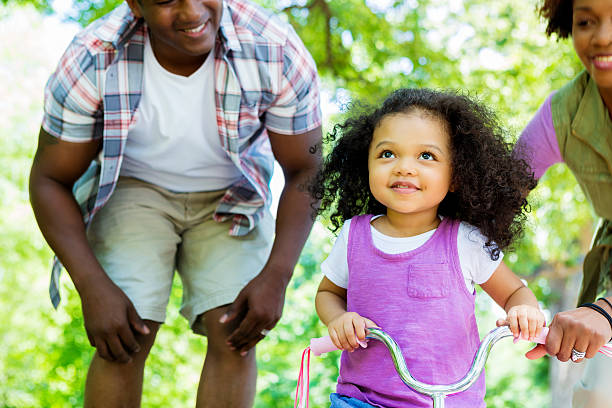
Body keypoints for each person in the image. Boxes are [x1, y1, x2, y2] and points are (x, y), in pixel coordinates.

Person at [28, 0, 322, 406]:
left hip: (233, 191)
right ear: (135, 4)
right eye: (166, 0)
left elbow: (306, 169)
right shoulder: (93, 56)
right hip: (134, 186)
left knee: (235, 331)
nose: (190, 12)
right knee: (125, 333)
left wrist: (277, 274)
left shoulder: (272, 47)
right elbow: (49, 180)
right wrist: (92, 285)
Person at [308, 88, 544, 407]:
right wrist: (338, 318)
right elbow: (328, 294)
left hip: (448, 400)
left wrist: (524, 310)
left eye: (426, 156)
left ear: (456, 175)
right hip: (362, 399)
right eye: (387, 154)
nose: (405, 167)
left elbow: (515, 292)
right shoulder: (354, 236)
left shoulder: (465, 241)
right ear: (366, 164)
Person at [515, 0, 612, 406]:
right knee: (593, 394)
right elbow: (495, 196)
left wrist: (606, 311)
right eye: (587, 21)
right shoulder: (564, 112)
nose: (603, 37)